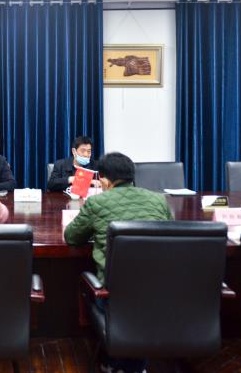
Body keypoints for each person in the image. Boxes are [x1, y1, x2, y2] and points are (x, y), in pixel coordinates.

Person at [64, 151, 171, 373]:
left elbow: (72, 237)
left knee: (115, 296)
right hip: (158, 292)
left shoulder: (96, 202)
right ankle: (131, 365)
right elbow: (170, 234)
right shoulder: (159, 200)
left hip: (113, 296)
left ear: (104, 180)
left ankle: (117, 364)